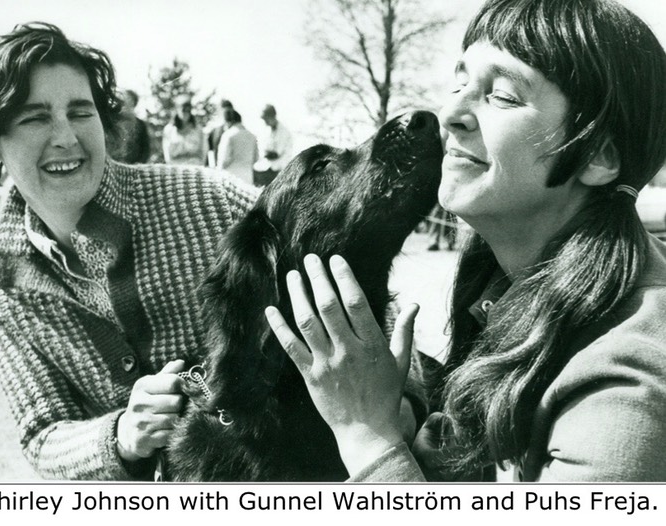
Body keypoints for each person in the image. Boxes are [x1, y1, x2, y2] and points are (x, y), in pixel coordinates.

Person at [266, 0, 666, 482]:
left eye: (501, 95)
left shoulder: (624, 387)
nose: (450, 112)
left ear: (598, 155)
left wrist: (367, 434)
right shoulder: (510, 281)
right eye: (458, 83)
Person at [0, 22, 259, 480]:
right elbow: (42, 434)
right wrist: (122, 435)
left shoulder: (211, 201)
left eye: (81, 112)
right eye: (35, 117)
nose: (66, 137)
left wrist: (404, 402)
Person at [216, 109, 259, 185]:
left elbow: (223, 160)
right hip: (248, 176)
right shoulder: (252, 136)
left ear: (229, 122)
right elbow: (256, 158)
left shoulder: (228, 135)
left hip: (231, 177)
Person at [253, 104, 292, 187]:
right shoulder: (267, 130)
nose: (265, 122)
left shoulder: (283, 131)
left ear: (272, 116)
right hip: (267, 167)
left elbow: (276, 154)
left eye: (266, 119)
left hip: (278, 169)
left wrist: (264, 154)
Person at [108, 89, 150, 164]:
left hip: (133, 166)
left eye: (127, 98)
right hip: (114, 164)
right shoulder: (112, 120)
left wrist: (140, 163)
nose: (123, 100)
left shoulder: (140, 124)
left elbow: (145, 148)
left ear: (133, 102)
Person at [162, 94, 205, 165]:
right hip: (175, 167)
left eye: (188, 110)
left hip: (194, 168)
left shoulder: (198, 130)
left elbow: (203, 152)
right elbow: (167, 155)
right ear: (177, 110)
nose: (185, 113)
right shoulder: (169, 130)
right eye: (183, 109)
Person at [204, 99, 233, 168]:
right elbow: (209, 151)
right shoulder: (215, 131)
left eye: (229, 112)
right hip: (218, 168)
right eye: (225, 112)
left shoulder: (236, 131)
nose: (227, 115)